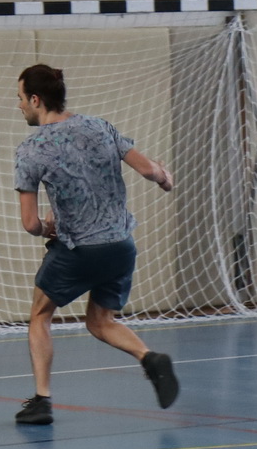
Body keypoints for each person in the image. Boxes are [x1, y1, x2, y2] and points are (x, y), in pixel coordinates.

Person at [12, 64, 180, 425]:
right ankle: (150, 358)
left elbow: (30, 224)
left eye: (21, 98)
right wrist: (165, 178)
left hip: (79, 250)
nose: (19, 105)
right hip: (120, 245)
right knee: (100, 321)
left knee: (40, 315)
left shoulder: (31, 150)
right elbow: (149, 170)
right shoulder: (100, 127)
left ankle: (42, 400)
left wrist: (47, 228)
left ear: (36, 100)